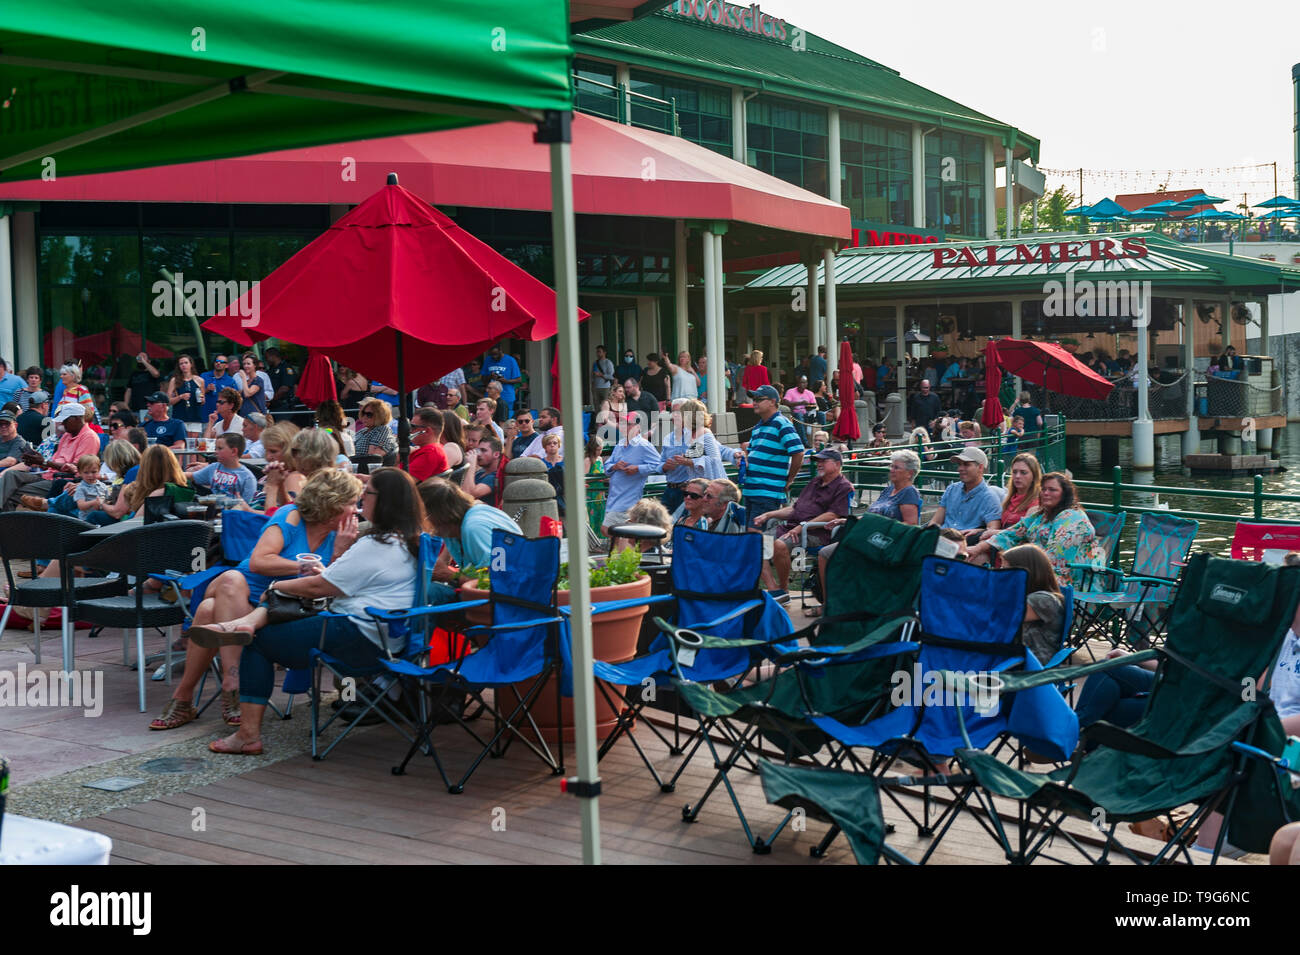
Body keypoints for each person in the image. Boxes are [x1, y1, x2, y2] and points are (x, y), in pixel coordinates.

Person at [200, 468, 420, 756]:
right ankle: (246, 623)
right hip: (387, 639)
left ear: (385, 501)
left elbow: (320, 586)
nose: (361, 501)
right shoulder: (407, 541)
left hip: (355, 635)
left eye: (367, 494)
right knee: (271, 611)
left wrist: (280, 586)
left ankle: (247, 735)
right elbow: (334, 581)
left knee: (257, 643)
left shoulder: (376, 544)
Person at [149, 468, 361, 731]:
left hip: (276, 607)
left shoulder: (342, 536)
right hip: (240, 588)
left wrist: (338, 553)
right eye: (352, 503)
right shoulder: (292, 516)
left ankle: (183, 698)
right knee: (231, 581)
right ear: (332, 503)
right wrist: (302, 567)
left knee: (207, 610)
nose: (356, 510)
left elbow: (330, 585)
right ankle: (233, 683)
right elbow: (260, 562)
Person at [967, 471, 1103, 589]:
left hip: (1070, 580)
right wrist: (978, 548)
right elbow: (1012, 533)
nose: (1046, 493)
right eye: (1043, 489)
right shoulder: (1042, 514)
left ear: (1064, 494)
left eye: (1052, 490)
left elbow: (1055, 558)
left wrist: (1017, 565)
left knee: (1003, 580)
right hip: (1040, 571)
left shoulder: (1072, 517)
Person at [754, 449, 853, 596]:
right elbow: (795, 509)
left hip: (816, 533)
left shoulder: (843, 486)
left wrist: (802, 527)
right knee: (756, 543)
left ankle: (783, 589)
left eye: (823, 461)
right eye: (818, 461)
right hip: (793, 527)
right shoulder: (815, 482)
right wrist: (769, 514)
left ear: (837, 464)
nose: (819, 464)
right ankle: (774, 588)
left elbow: (833, 515)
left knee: (779, 545)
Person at [420, 477, 522, 586]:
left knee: (432, 592)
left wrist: (450, 576)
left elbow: (497, 585)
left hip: (513, 593)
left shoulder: (474, 528)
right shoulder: (453, 525)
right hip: (493, 590)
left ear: (438, 515)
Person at [1, 403, 99, 509]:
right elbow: (53, 462)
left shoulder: (89, 437)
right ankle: (7, 523)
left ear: (77, 418)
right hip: (46, 475)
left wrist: (44, 462)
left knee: (7, 491)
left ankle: (7, 523)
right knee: (10, 475)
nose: (62, 424)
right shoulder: (66, 435)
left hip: (61, 481)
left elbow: (77, 469)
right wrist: (36, 462)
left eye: (65, 420)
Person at [735, 385, 804, 527]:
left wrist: (790, 479)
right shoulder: (758, 426)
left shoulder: (781, 423)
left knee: (757, 537)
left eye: (759, 399)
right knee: (751, 536)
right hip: (751, 489)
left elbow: (798, 452)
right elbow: (750, 451)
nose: (754, 402)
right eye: (754, 399)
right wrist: (744, 459)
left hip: (767, 492)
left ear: (773, 402)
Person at [999, 544, 1065, 664]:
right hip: (1014, 657)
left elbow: (1003, 617)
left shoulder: (1043, 600)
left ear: (1025, 571)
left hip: (1032, 663)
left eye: (1005, 569)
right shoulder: (1027, 596)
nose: (1001, 573)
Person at [925, 447, 1002, 541]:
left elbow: (993, 529)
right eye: (959, 464)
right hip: (941, 539)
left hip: (964, 543)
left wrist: (979, 531)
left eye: (966, 464)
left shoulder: (989, 497)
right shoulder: (952, 489)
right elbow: (936, 521)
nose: (960, 468)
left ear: (980, 468)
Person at [601, 413, 660, 533]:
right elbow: (607, 466)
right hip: (614, 497)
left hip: (628, 499)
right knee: (620, 534)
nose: (624, 427)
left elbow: (659, 465)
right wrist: (614, 466)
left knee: (607, 530)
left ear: (638, 427)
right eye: (623, 424)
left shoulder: (643, 445)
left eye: (628, 424)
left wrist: (638, 468)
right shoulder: (619, 444)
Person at [262, 427, 337, 514]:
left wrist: (272, 486)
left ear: (308, 455)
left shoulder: (318, 488)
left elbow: (274, 521)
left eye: (294, 451)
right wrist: (280, 485)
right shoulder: (328, 481)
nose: (291, 455)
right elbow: (291, 510)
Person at [984, 452, 1042, 539]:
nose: (1017, 476)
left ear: (1034, 476)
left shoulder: (1036, 502)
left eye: (1023, 472)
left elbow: (1022, 533)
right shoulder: (1010, 498)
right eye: (1014, 472)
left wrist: (993, 532)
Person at [188, 433, 258, 501]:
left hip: (234, 511)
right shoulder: (214, 467)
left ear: (234, 451)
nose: (215, 452)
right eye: (216, 448)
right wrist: (177, 470)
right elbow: (190, 476)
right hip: (214, 509)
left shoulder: (247, 477)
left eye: (220, 448)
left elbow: (248, 507)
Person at [866, 448, 922, 525]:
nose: (891, 470)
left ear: (910, 473)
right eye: (891, 466)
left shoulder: (909, 492)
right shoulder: (888, 490)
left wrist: (882, 526)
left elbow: (910, 524)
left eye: (896, 468)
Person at [165, 354, 204, 435]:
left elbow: (203, 400)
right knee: (181, 441)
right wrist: (180, 397)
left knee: (193, 443)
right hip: (180, 416)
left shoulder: (200, 380)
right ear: (178, 366)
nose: (184, 365)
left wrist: (202, 399)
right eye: (181, 364)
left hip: (195, 416)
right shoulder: (174, 380)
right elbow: (168, 401)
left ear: (191, 364)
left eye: (186, 363)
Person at [407, 406, 450, 482]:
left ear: (427, 431)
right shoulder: (434, 449)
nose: (410, 430)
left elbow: (402, 483)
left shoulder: (430, 453)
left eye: (413, 427)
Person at [460, 433, 505, 504]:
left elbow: (470, 494)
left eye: (483, 450)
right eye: (478, 450)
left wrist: (471, 465)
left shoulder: (494, 477)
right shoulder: (480, 473)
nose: (479, 454)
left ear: (496, 454)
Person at [483, 344, 522, 413]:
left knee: (505, 418)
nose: (494, 357)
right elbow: (483, 379)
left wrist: (506, 381)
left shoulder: (511, 360)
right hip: (490, 395)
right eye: (492, 355)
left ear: (500, 350)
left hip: (506, 395)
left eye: (496, 354)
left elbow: (518, 379)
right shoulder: (488, 360)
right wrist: (490, 376)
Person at [262, 346, 297, 411]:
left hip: (283, 406)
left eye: (267, 357)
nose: (266, 360)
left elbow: (284, 389)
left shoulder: (286, 368)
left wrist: (271, 399)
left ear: (273, 356)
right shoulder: (271, 369)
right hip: (273, 406)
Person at [200, 354, 232, 418]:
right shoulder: (203, 376)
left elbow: (234, 400)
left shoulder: (231, 381)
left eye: (222, 362)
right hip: (205, 416)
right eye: (217, 361)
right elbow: (196, 394)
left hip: (222, 418)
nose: (218, 363)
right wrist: (206, 390)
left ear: (227, 366)